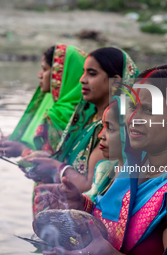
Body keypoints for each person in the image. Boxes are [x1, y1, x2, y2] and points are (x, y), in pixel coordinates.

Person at [34, 64, 167, 255]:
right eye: (132, 106)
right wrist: (82, 207)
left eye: (147, 110)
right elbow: (114, 226)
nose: (132, 119)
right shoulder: (129, 173)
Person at [27, 47, 139, 193]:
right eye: (83, 72)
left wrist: (55, 167)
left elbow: (92, 186)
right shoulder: (86, 119)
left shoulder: (116, 129)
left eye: (91, 74)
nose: (82, 80)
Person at [0, 44, 86, 157]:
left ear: (60, 75)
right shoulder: (87, 108)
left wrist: (22, 151)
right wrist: (13, 139)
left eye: (45, 69)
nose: (39, 75)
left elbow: (54, 163)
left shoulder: (61, 115)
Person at [84, 97, 126, 201]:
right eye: (103, 127)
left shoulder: (138, 180)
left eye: (110, 128)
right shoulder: (104, 169)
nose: (100, 135)